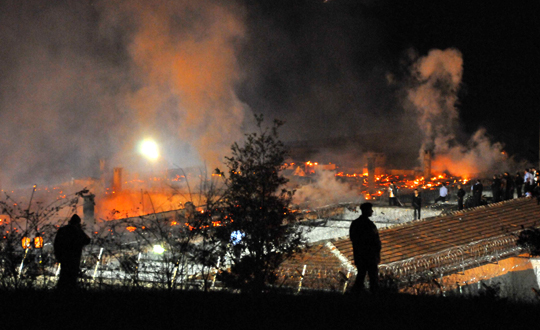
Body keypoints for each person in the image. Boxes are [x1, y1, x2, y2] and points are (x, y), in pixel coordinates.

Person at [350, 203, 381, 293]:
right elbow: (375, 240)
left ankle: (356, 293)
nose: (372, 211)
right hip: (369, 255)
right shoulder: (369, 225)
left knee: (361, 275)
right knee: (373, 278)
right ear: (366, 210)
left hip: (360, 255)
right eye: (370, 209)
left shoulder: (355, 223)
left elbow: (353, 239)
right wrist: (376, 253)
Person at [54, 214, 91, 291]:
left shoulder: (62, 230)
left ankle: (60, 292)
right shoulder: (78, 231)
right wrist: (80, 230)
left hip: (64, 258)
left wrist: (58, 256)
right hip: (74, 258)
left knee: (63, 276)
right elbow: (87, 240)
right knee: (72, 278)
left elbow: (56, 243)